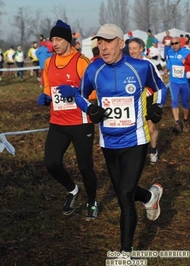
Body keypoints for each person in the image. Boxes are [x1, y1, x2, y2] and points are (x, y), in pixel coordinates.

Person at [75, 23, 166, 258]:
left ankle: (126, 254)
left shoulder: (140, 67)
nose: (103, 48)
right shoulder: (93, 70)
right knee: (123, 192)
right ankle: (149, 197)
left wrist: (157, 106)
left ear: (121, 43)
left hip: (135, 140)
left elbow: (160, 88)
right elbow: (79, 95)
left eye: (109, 42)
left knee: (125, 195)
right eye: (100, 43)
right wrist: (91, 110)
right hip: (109, 142)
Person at [36, 20, 98, 220]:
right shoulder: (48, 62)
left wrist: (77, 93)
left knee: (85, 166)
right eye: (52, 39)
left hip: (81, 122)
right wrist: (45, 97)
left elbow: (95, 93)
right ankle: (72, 190)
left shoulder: (81, 61)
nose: (54, 43)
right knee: (51, 163)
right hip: (58, 122)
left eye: (58, 39)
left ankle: (92, 202)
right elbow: (48, 87)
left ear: (68, 39)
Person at [129, 37, 163, 164]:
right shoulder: (126, 63)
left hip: (148, 97)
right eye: (130, 48)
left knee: (150, 127)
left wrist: (158, 104)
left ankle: (153, 150)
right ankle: (136, 154)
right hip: (133, 99)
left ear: (142, 49)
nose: (132, 51)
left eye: (135, 48)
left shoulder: (149, 64)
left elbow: (160, 85)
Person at [165, 36, 190, 133]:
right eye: (172, 43)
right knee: (174, 101)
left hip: (185, 82)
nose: (174, 45)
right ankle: (177, 123)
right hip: (174, 81)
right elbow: (169, 64)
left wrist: (186, 64)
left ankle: (185, 120)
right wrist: (167, 69)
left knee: (185, 103)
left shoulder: (186, 52)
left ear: (181, 43)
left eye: (176, 43)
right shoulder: (169, 52)